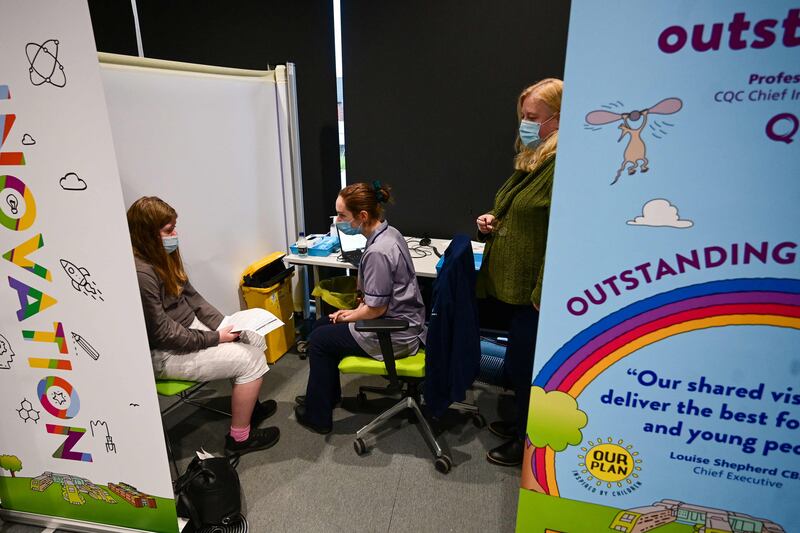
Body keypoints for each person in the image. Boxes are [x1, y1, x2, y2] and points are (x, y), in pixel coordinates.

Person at [127, 196, 280, 456]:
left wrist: (228, 325)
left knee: (254, 339)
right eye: (167, 230)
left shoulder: (164, 257)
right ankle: (239, 439)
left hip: (188, 331)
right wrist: (215, 338)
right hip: (165, 352)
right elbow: (163, 333)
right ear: (146, 234)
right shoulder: (142, 274)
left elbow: (194, 298)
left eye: (174, 227)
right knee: (250, 360)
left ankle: (249, 408)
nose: (174, 234)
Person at [294, 181, 427, 434]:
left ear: (363, 216)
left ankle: (318, 416)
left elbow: (375, 310)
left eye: (342, 215)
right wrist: (353, 311)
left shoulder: (378, 251)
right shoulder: (390, 233)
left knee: (321, 340)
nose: (337, 221)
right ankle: (322, 398)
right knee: (322, 325)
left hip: (392, 332)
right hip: (404, 321)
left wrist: (350, 316)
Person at [476, 78, 561, 466]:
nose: (524, 123)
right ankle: (518, 426)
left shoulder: (563, 166)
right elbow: (521, 212)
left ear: (559, 119)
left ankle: (528, 447)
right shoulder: (534, 158)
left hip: (536, 294)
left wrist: (543, 294)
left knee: (530, 370)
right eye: (523, 115)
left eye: (532, 117)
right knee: (518, 366)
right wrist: (492, 220)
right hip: (515, 287)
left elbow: (561, 235)